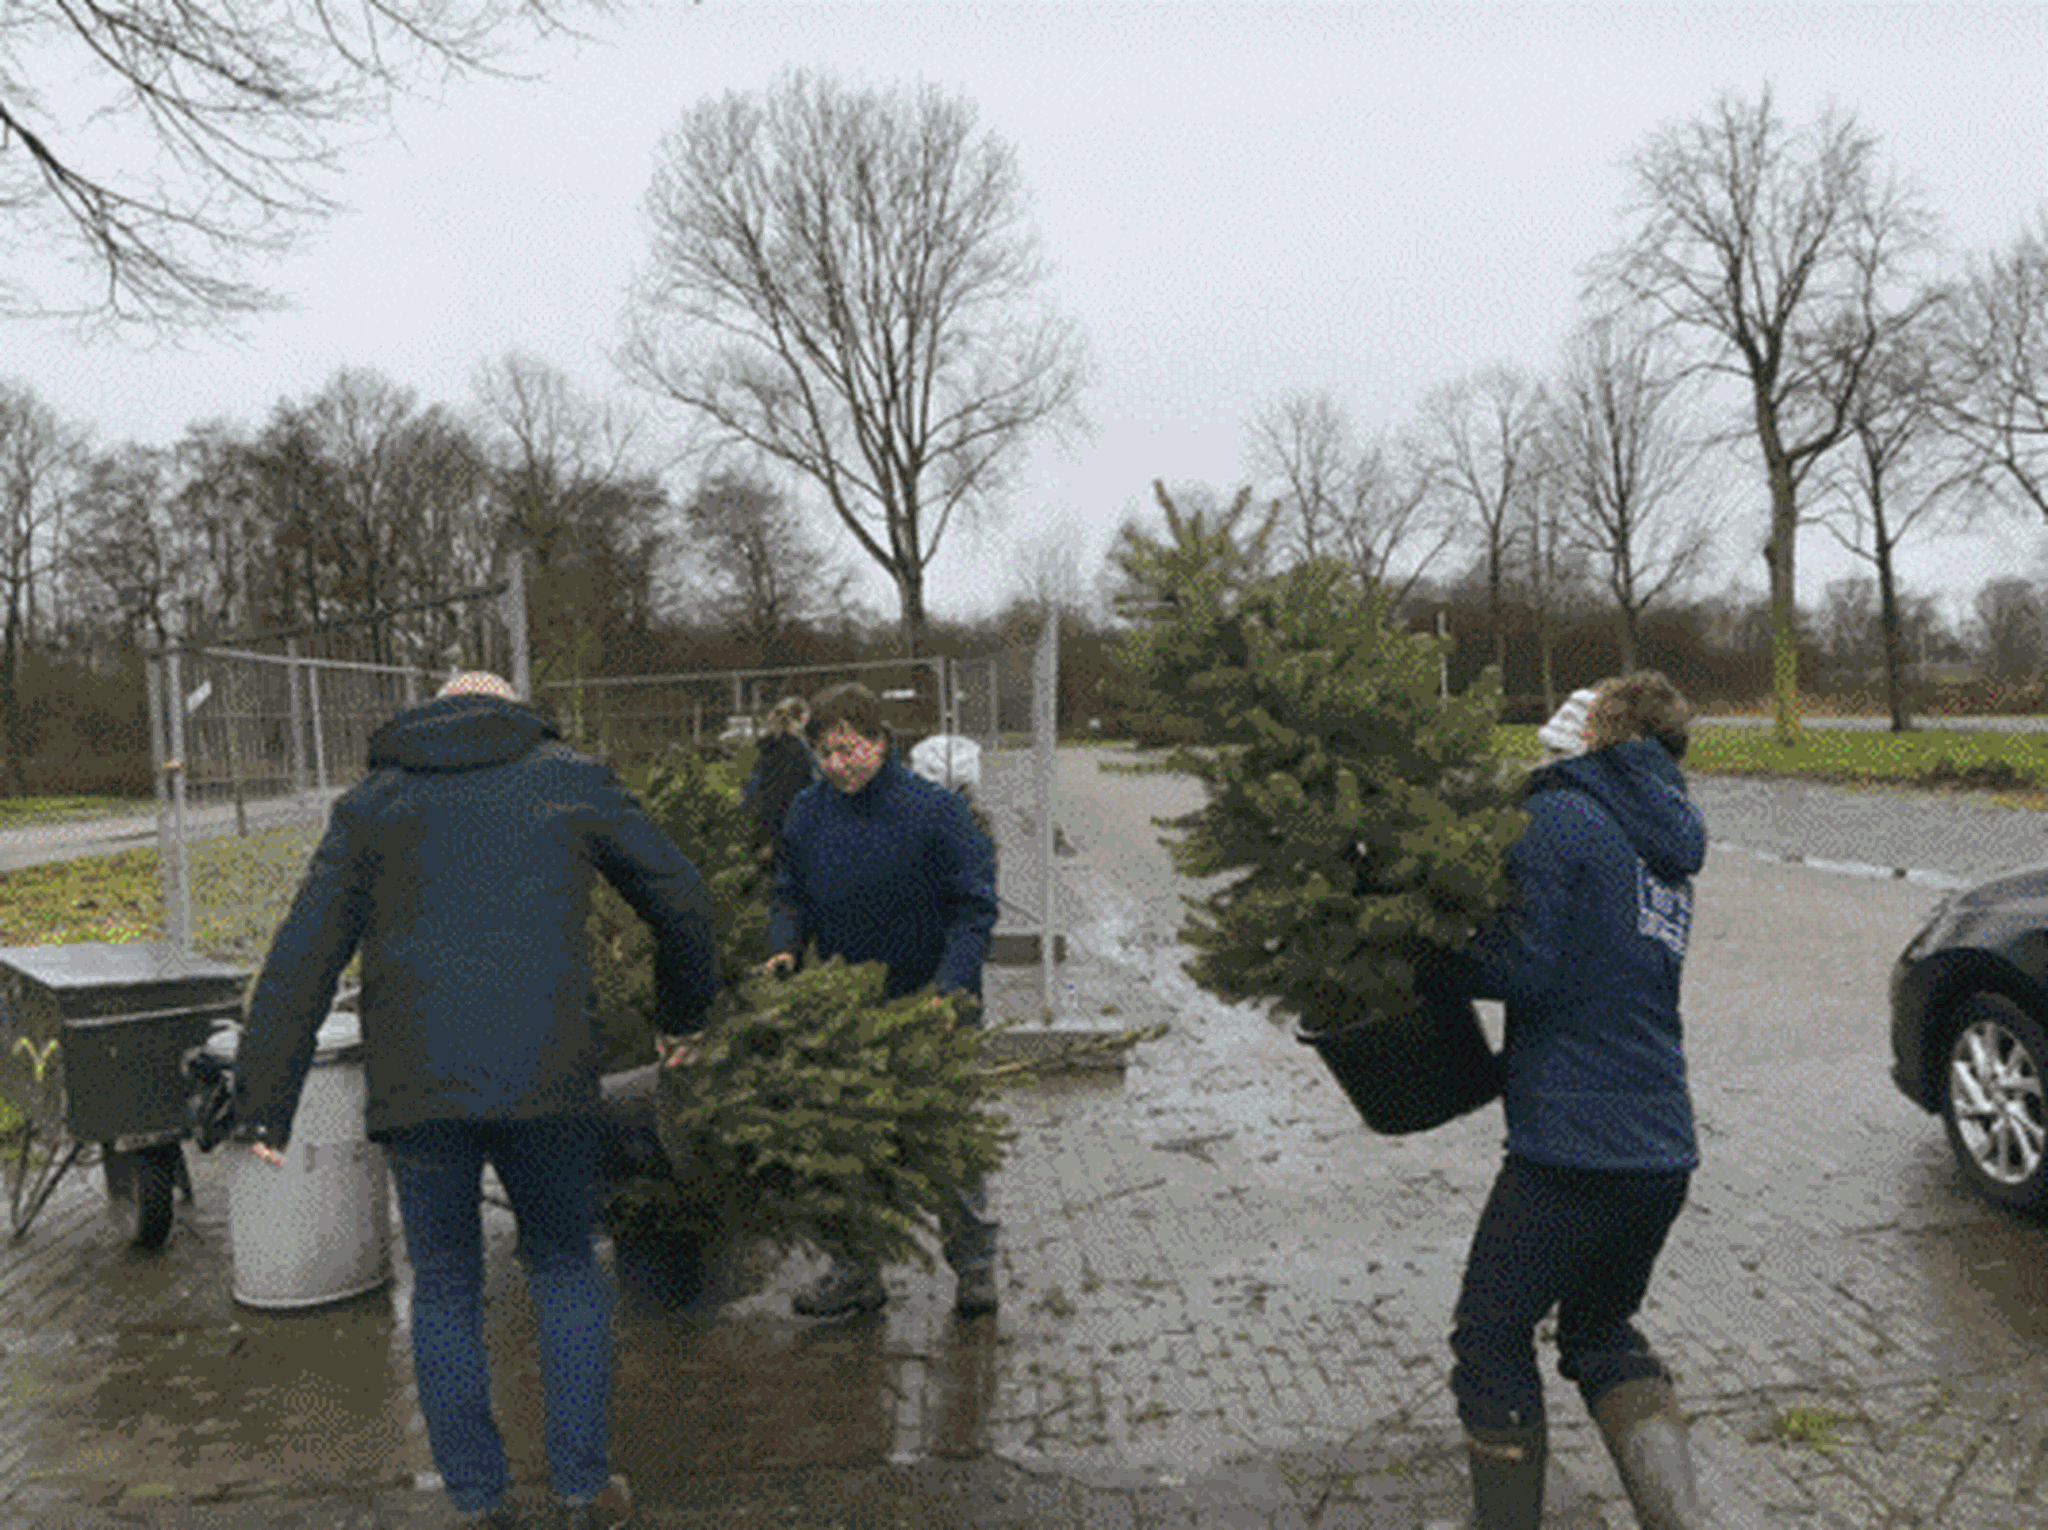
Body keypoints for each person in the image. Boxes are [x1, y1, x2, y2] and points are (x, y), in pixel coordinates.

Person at [231, 669, 718, 1530]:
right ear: (509, 710)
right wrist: (682, 1016)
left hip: (420, 1093)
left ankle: (480, 1503)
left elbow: (306, 946)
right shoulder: (566, 775)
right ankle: (579, 1490)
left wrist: (266, 1098)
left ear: (435, 712)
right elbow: (681, 895)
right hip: (549, 1078)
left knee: (446, 1287)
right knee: (566, 1264)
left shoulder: (374, 804)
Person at [1437, 672, 1727, 1530]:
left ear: (1592, 740)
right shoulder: (1666, 850)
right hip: (1660, 1148)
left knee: (1488, 1337)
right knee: (1601, 1333)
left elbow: (1522, 965)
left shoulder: (1559, 817)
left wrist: (1428, 952)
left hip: (1571, 1149)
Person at [763, 681, 1002, 1320]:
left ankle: (975, 1266)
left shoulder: (933, 812)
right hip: (848, 1008)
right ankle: (855, 1270)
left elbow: (974, 908)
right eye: (826, 753)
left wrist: (950, 987)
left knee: (948, 1143)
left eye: (851, 749)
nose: (839, 765)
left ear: (879, 741)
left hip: (931, 1000)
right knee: (843, 1141)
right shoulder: (808, 814)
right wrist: (784, 945)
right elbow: (788, 892)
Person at [741, 695, 815, 867]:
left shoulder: (765, 748)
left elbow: (759, 793)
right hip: (784, 839)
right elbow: (785, 797)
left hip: (764, 833)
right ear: (802, 721)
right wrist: (773, 841)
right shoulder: (797, 752)